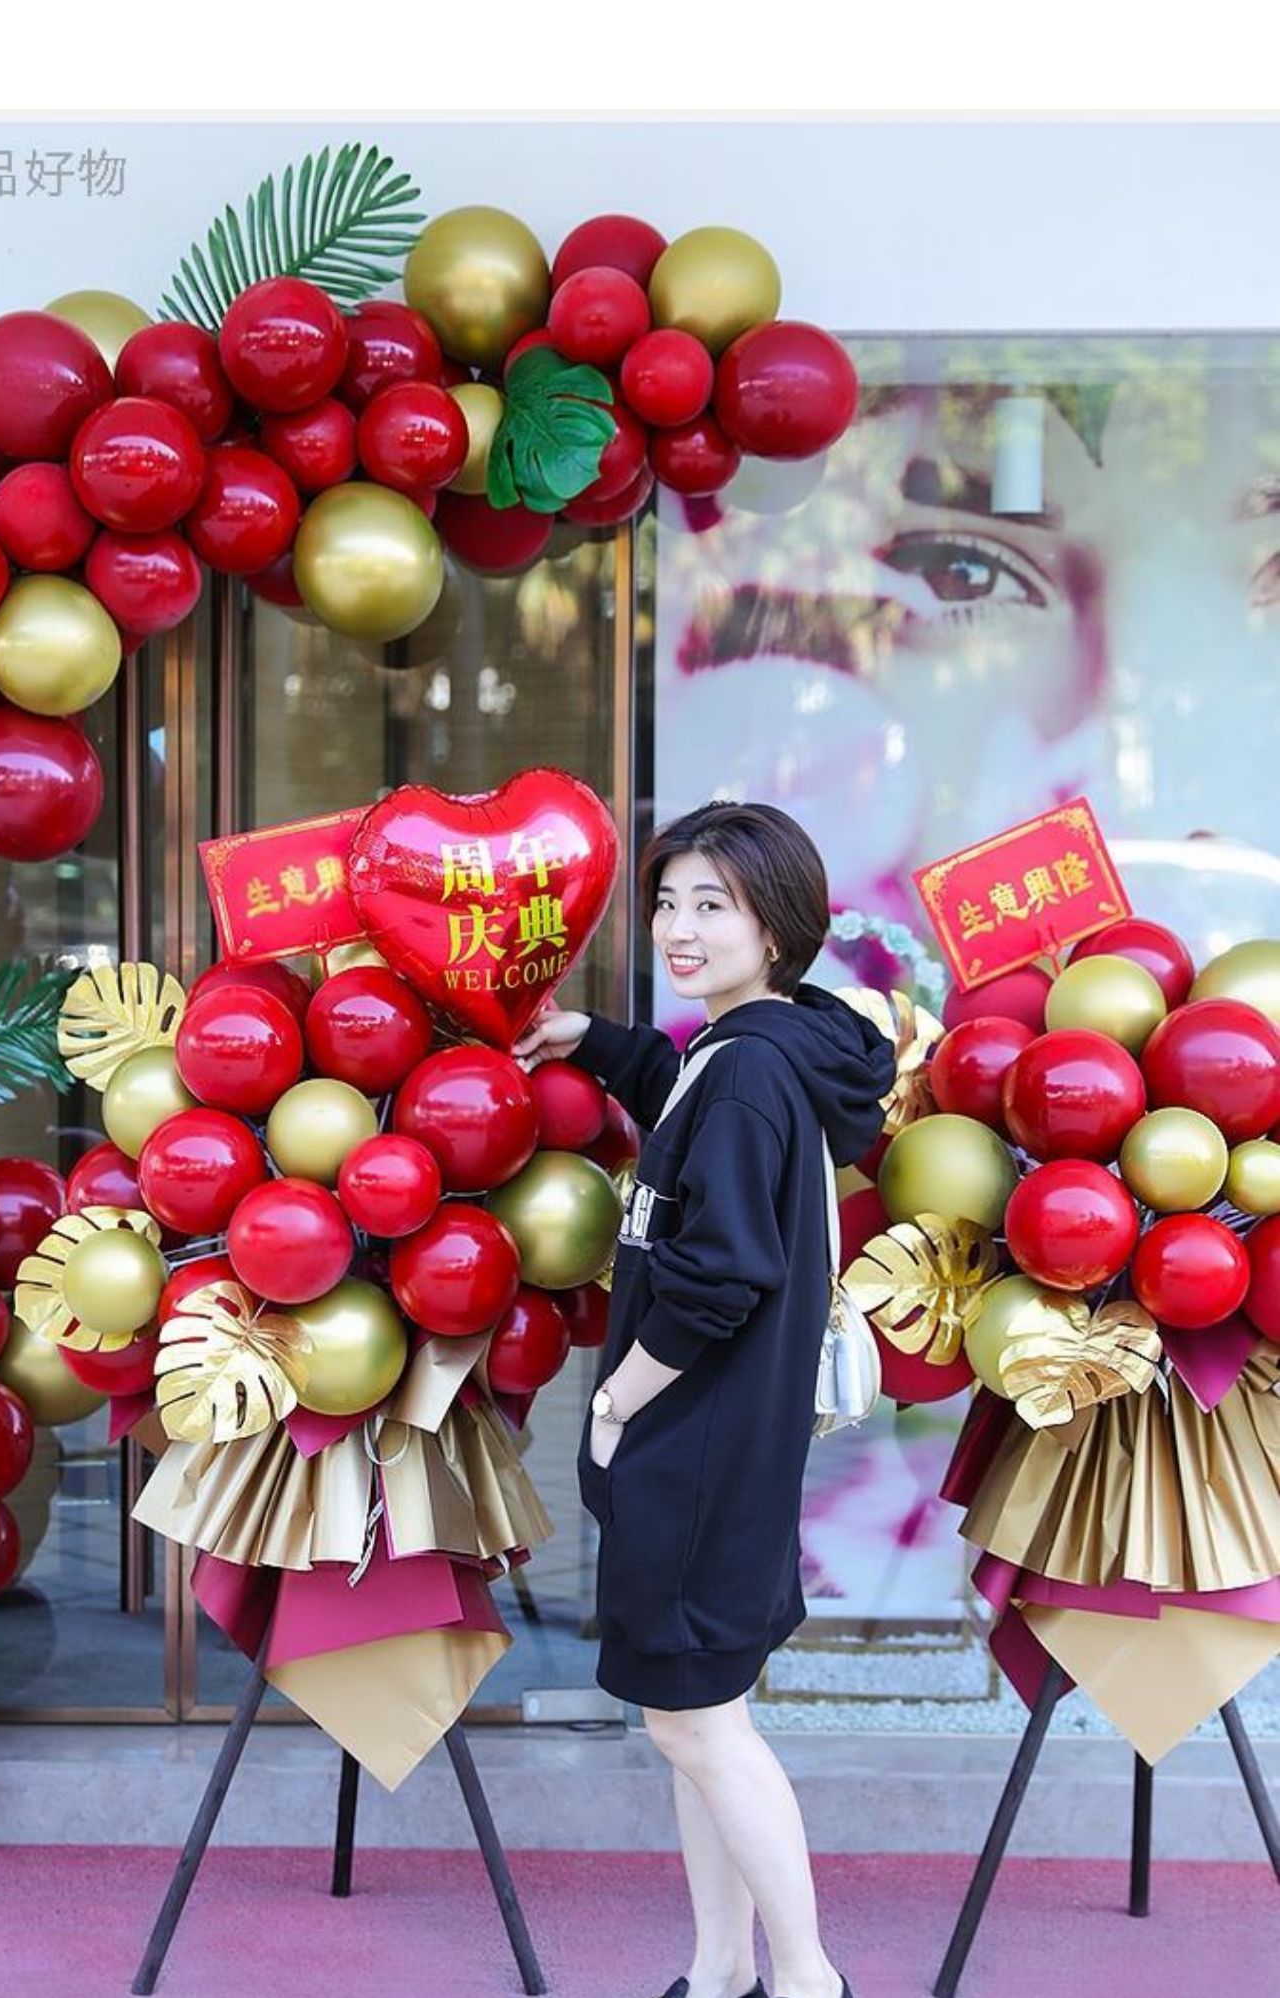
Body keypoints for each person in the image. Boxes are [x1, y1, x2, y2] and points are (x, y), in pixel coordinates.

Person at [514, 801, 893, 1998]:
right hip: (731, 1438)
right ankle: (722, 1970)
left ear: (776, 925)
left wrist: (618, 1401)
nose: (678, 927)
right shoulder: (767, 1048)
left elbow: (722, 1273)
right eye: (670, 901)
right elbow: (682, 1078)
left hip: (696, 1441)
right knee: (698, 1715)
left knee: (696, 1728)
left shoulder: (746, 1082)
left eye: (712, 906)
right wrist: (594, 1040)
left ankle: (807, 1980)